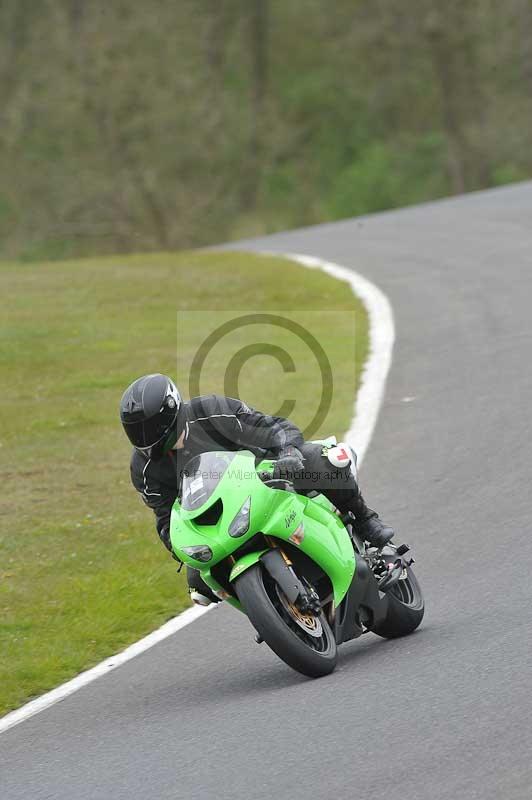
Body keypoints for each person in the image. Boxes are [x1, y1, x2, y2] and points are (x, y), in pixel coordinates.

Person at [119, 373, 394, 605]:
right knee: (198, 582)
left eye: (150, 429)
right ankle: (272, 606)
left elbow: (271, 427)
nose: (146, 439)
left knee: (319, 460)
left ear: (172, 412)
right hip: (221, 516)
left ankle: (364, 519)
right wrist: (179, 547)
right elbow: (167, 516)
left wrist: (287, 452)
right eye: (137, 432)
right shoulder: (142, 468)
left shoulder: (210, 412)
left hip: (267, 477)